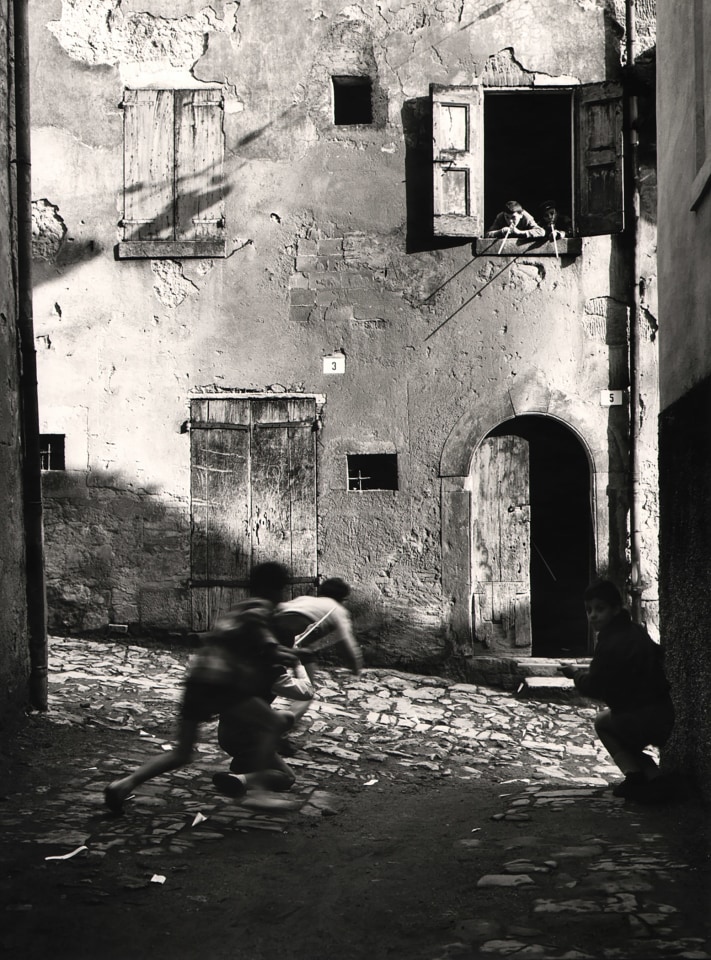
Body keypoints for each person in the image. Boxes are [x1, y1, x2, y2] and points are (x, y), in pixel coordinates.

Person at [104, 562, 300, 813]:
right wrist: (287, 653)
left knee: (182, 753)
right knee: (277, 722)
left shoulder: (237, 609)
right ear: (276, 589)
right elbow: (265, 638)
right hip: (223, 684)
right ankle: (259, 794)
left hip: (197, 681)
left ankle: (123, 785)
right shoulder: (259, 608)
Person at [559, 579, 675, 802]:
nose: (592, 615)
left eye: (599, 609)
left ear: (615, 609)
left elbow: (594, 686)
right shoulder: (636, 631)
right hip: (664, 712)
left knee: (604, 724)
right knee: (624, 726)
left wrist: (575, 674)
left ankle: (635, 776)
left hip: (637, 717)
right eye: (589, 610)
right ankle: (655, 779)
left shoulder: (609, 642)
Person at [271, 577, 363, 730]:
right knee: (308, 690)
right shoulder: (338, 609)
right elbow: (347, 644)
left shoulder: (304, 599)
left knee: (267, 678)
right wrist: (355, 667)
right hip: (295, 641)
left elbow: (280, 609)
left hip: (274, 635)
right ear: (343, 599)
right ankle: (281, 728)